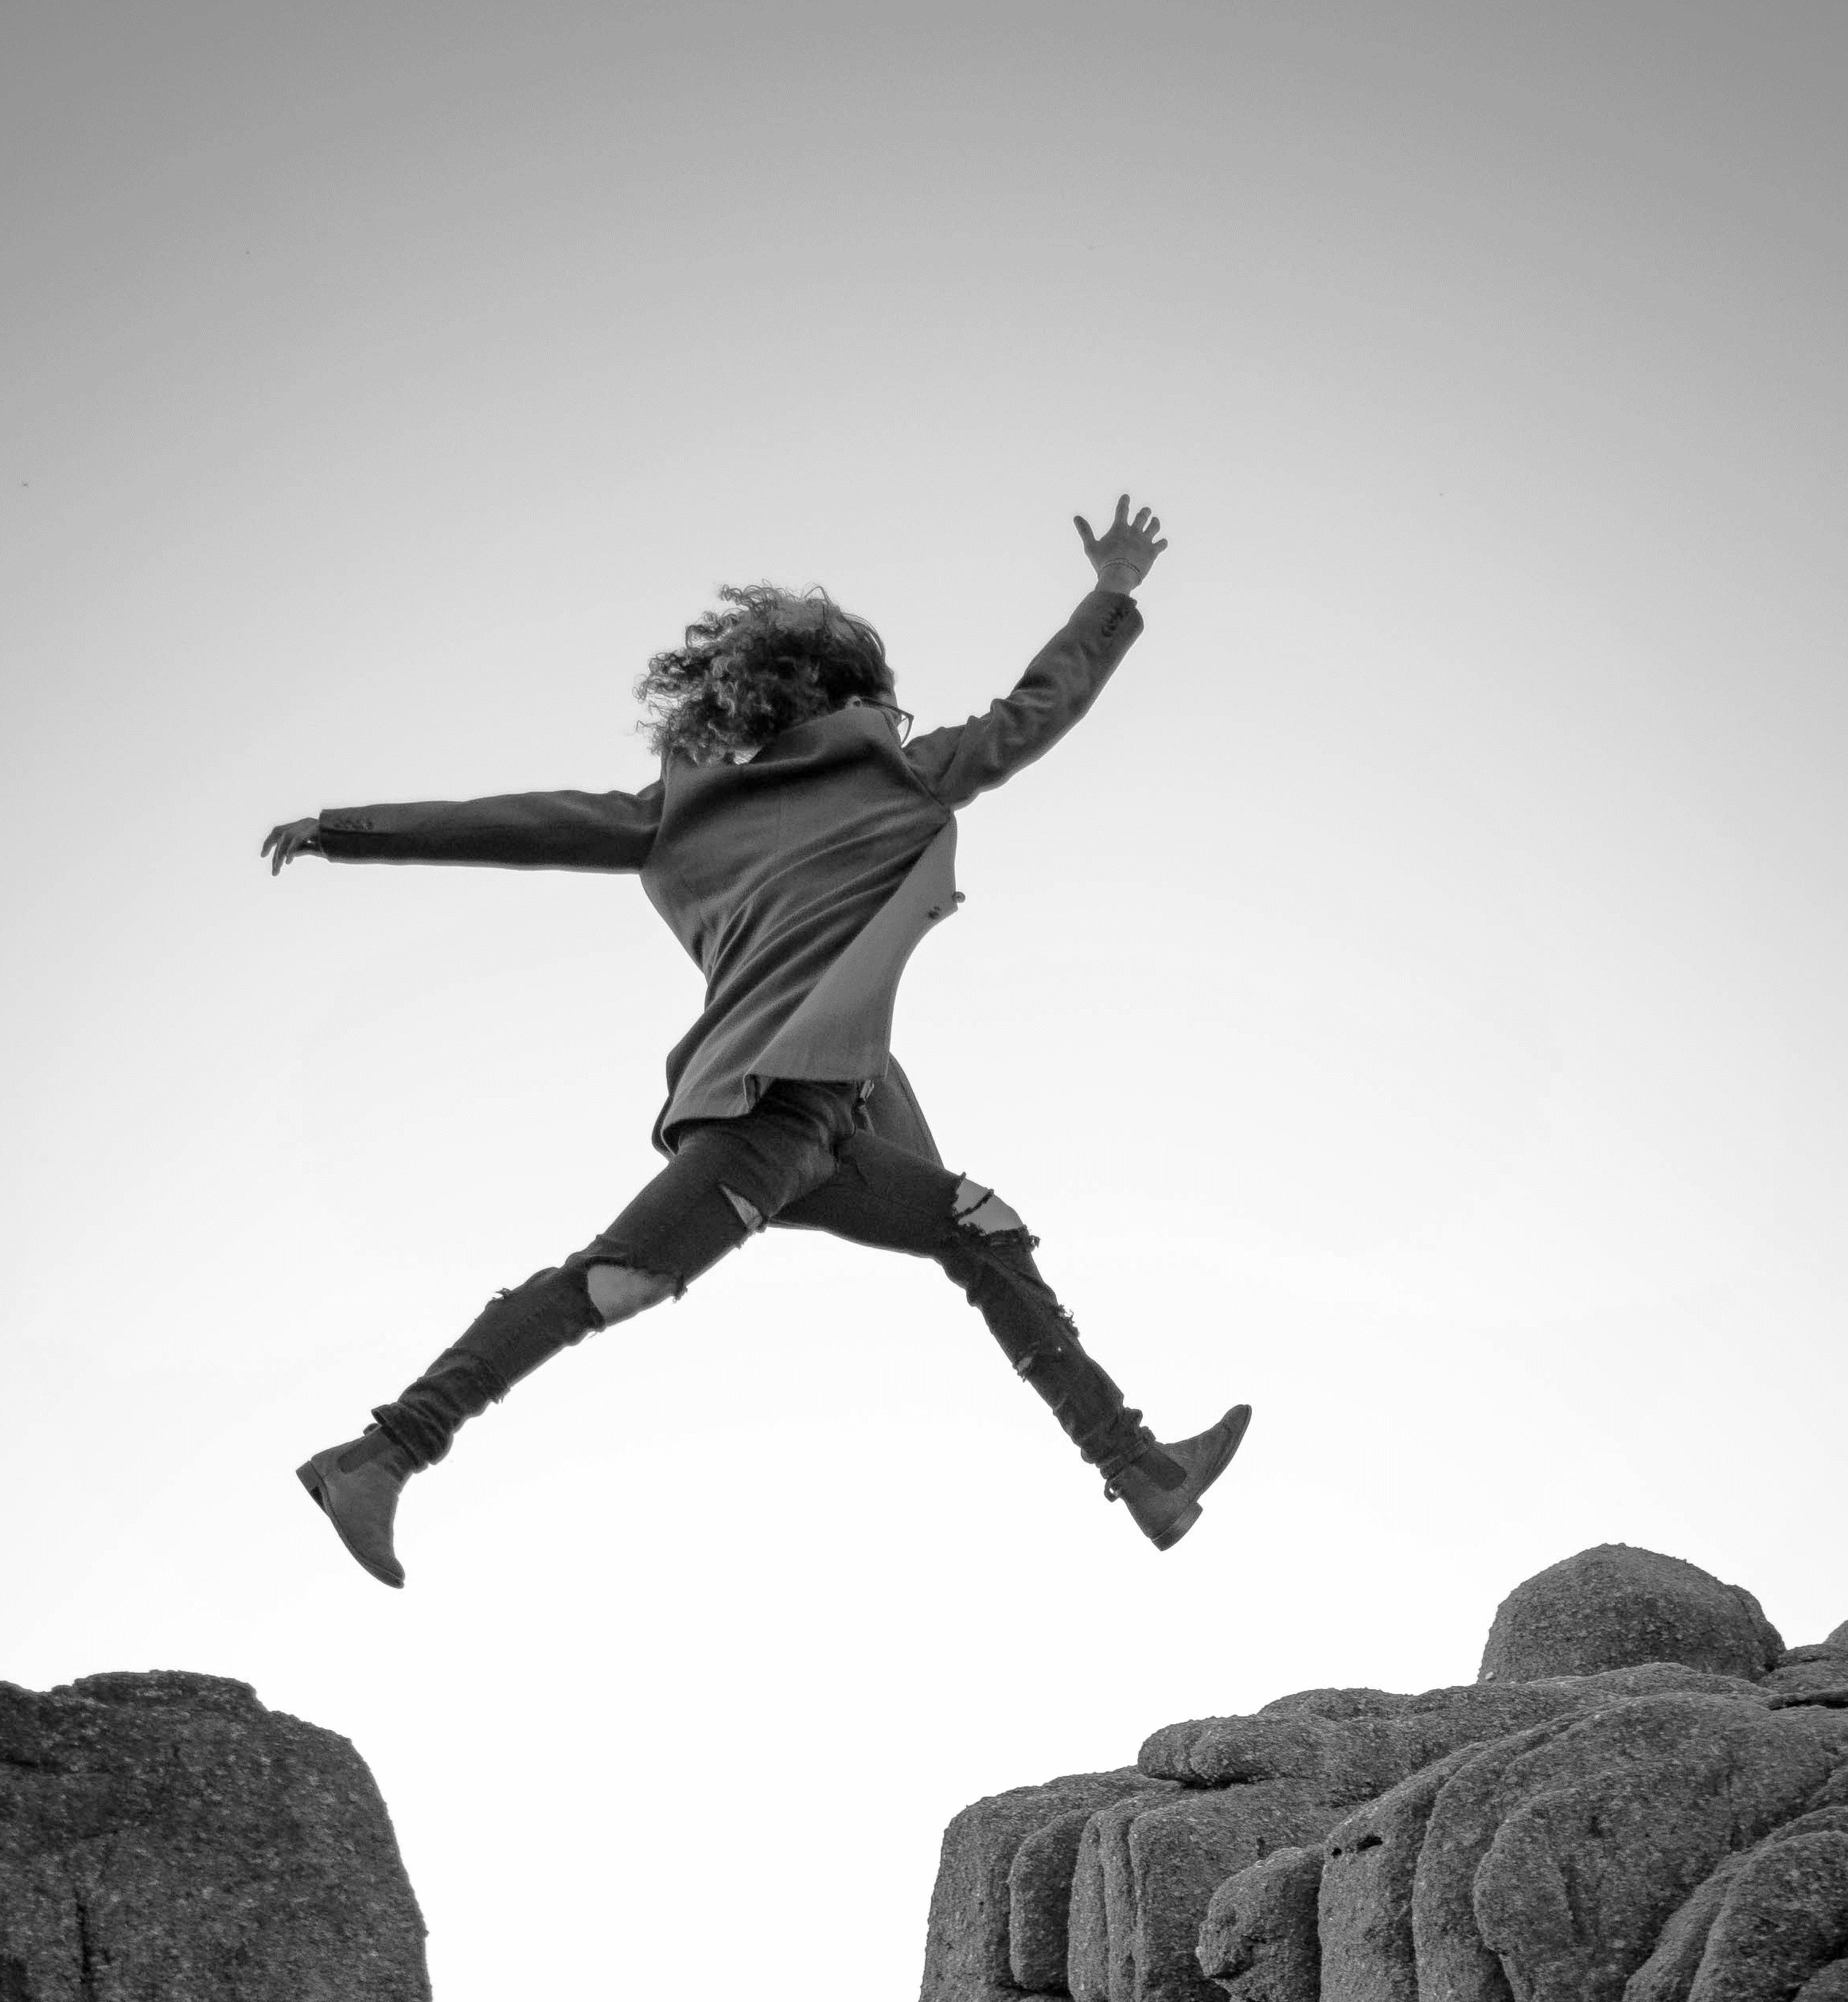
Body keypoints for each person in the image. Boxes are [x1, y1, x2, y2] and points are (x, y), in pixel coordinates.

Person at [267, 497, 1248, 1586]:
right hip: (764, 1117)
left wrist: (344, 830)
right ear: (850, 696)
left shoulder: (682, 808)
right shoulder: (894, 774)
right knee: (616, 1281)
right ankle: (383, 1453)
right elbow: (1035, 711)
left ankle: (1143, 1472)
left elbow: (514, 820)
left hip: (829, 1119)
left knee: (982, 1229)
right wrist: (1110, 594)